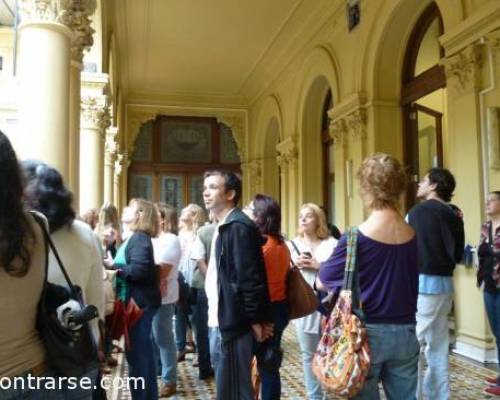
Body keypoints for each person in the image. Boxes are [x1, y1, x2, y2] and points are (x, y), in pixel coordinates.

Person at [318, 153, 420, 399]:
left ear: (366, 188)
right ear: (400, 187)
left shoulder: (355, 237)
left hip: (365, 333)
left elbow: (323, 280)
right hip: (405, 331)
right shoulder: (412, 233)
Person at [203, 170, 272, 400]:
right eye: (205, 187)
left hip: (233, 323)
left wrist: (254, 319)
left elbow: (249, 279)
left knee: (234, 391)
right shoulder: (224, 225)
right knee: (227, 388)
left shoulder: (237, 227)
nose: (206, 191)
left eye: (213, 187)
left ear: (230, 193)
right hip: (221, 318)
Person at [22, 160, 104, 342]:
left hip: (23, 352)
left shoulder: (17, 237)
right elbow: (95, 299)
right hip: (72, 344)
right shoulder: (84, 233)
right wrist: (94, 341)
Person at [408, 167, 465, 400]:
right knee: (438, 346)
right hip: (445, 287)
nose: (419, 184)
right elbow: (459, 253)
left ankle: (414, 395)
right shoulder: (454, 214)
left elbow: (405, 249)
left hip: (423, 286)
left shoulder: (417, 213)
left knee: (412, 345)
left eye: (423, 181)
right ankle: (439, 396)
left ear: (433, 186)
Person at [287, 203, 337, 400]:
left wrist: (318, 266)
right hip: (303, 305)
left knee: (329, 352)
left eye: (309, 216)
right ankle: (315, 396)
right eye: (301, 216)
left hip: (328, 304)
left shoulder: (332, 244)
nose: (303, 219)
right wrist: (294, 266)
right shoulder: (291, 245)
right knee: (308, 354)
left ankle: (330, 390)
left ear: (319, 220)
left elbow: (338, 274)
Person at [112, 198, 161, 400]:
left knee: (138, 358)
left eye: (130, 208)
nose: (124, 210)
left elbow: (139, 271)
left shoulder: (139, 238)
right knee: (143, 357)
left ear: (140, 214)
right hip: (139, 303)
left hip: (138, 305)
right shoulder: (136, 237)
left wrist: (114, 269)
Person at [245, 194, 291, 400]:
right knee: (270, 363)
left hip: (265, 309)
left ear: (259, 216)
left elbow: (259, 285)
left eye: (249, 208)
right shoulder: (281, 244)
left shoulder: (263, 246)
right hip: (278, 306)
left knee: (258, 362)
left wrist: (260, 319)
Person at [152, 203, 182, 397]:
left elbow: (162, 270)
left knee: (163, 337)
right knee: (153, 337)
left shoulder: (170, 240)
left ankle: (170, 379)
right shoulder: (150, 239)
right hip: (148, 295)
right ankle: (159, 370)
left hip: (163, 296)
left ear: (162, 219)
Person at [477, 191, 500, 396]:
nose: (487, 203)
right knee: (497, 332)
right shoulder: (485, 227)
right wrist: (482, 280)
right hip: (489, 286)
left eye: (492, 200)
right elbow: (482, 255)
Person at [176, 203, 206, 361]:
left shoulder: (200, 233)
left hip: (194, 279)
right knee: (180, 314)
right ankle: (180, 347)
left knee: (196, 317)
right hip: (181, 278)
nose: (182, 212)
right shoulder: (181, 233)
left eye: (186, 210)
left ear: (194, 215)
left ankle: (200, 352)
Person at [189, 211, 216, 380]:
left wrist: (210, 279)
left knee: (202, 328)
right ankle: (222, 367)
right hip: (225, 288)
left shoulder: (203, 232)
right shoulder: (235, 229)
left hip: (202, 286)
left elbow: (199, 259)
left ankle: (204, 367)